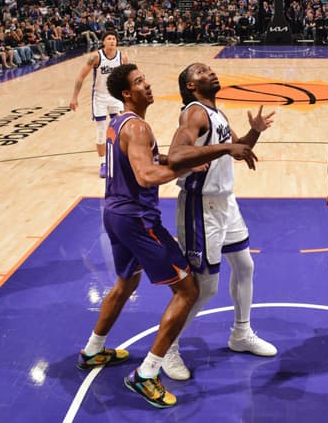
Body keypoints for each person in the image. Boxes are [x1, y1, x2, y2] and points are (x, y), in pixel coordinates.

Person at [75, 63, 257, 409]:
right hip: (137, 218)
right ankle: (147, 373)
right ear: (127, 93)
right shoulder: (140, 126)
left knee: (125, 283)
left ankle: (93, 350)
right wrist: (186, 166)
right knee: (188, 290)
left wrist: (183, 161)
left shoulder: (119, 123)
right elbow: (145, 175)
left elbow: (144, 158)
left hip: (113, 213)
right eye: (140, 82)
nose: (148, 85)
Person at [159, 62, 277, 381]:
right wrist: (227, 146)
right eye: (200, 71)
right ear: (191, 86)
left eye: (209, 69)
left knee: (244, 266)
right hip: (200, 206)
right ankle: (167, 349)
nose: (209, 72)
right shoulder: (194, 113)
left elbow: (239, 150)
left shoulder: (217, 113)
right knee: (204, 288)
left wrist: (255, 132)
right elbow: (175, 156)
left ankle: (241, 334)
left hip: (226, 201)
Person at [69, 31, 128, 178]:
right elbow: (81, 76)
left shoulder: (122, 57)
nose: (112, 41)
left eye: (114, 39)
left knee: (120, 130)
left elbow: (128, 78)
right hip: (100, 98)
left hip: (116, 98)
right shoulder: (96, 57)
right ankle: (103, 163)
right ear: (103, 42)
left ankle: (119, 160)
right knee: (101, 132)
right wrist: (74, 97)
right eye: (109, 39)